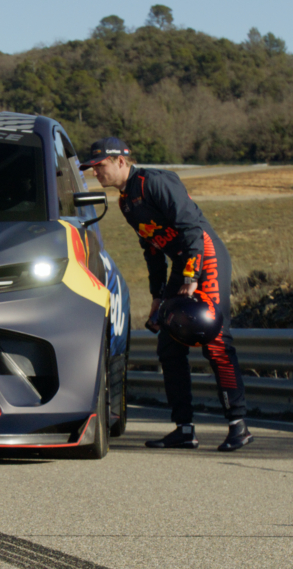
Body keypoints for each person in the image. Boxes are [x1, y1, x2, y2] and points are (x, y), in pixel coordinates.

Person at [80, 137, 253, 452]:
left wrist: (191, 274)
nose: (96, 173)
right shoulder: (125, 201)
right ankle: (184, 429)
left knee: (213, 339)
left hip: (205, 256)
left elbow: (192, 231)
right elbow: (152, 250)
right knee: (169, 345)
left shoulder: (153, 183)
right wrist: (158, 296)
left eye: (100, 166)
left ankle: (238, 425)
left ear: (121, 161)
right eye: (92, 168)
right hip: (180, 264)